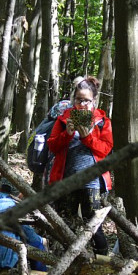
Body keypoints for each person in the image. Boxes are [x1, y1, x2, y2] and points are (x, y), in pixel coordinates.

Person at [46, 76, 113, 255]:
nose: (82, 104)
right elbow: (52, 145)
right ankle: (63, 260)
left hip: (91, 181)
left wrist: (87, 137)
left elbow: (105, 150)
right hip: (67, 180)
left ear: (94, 100)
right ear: (73, 99)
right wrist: (67, 134)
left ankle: (102, 260)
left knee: (93, 223)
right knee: (65, 222)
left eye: (86, 100)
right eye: (79, 100)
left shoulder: (102, 121)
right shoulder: (63, 119)